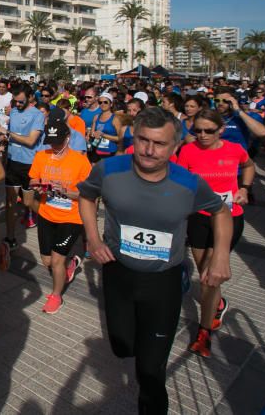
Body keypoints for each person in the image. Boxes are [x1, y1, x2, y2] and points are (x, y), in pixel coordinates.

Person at [78, 107, 231, 414]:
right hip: (118, 272)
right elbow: (86, 196)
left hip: (163, 281)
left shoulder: (188, 184)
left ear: (175, 146)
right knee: (121, 345)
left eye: (160, 143)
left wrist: (221, 257)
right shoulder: (109, 170)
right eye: (143, 140)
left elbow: (221, 211)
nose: (149, 150)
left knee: (150, 370)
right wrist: (93, 239)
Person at [177, 109, 253, 357]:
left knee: (210, 275)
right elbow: (179, 180)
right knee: (204, 273)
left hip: (230, 217)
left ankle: (204, 333)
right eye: (197, 130)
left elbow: (249, 165)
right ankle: (218, 304)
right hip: (199, 218)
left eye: (208, 130)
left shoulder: (233, 149)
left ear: (221, 129)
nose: (202, 135)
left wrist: (245, 188)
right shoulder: (188, 150)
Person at [25, 117, 91, 314]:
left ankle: (56, 296)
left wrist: (65, 191)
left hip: (71, 218)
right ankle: (71, 264)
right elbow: (32, 181)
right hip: (46, 214)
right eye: (51, 142)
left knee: (56, 261)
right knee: (47, 261)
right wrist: (40, 185)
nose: (54, 146)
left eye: (58, 142)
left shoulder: (80, 161)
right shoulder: (41, 156)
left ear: (68, 138)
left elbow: (87, 194)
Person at [0, 84, 44, 257]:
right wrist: (4, 138)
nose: (17, 105)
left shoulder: (37, 114)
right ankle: (10, 238)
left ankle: (51, 220)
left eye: (20, 102)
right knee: (10, 202)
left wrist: (9, 134)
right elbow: (10, 133)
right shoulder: (14, 112)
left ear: (31, 97)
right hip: (12, 161)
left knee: (27, 202)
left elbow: (32, 140)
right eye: (14, 101)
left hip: (29, 164)